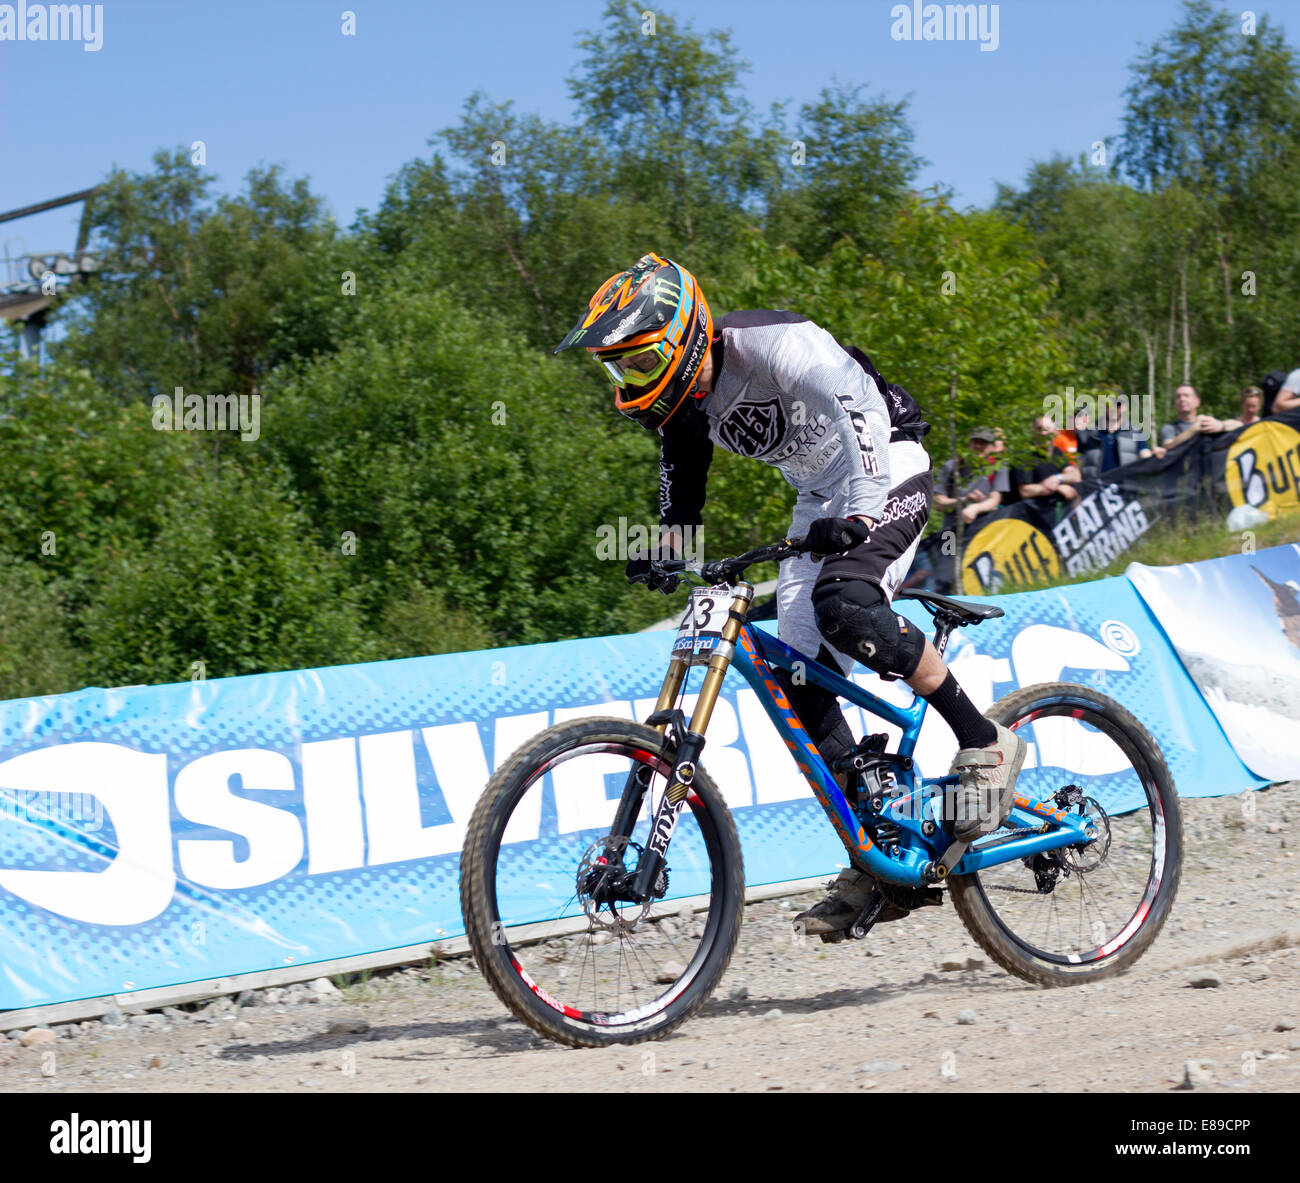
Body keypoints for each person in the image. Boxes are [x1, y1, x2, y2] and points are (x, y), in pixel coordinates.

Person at [554, 253, 1026, 938]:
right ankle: (881, 858)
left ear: (680, 339)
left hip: (887, 461)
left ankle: (984, 740)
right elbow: (681, 491)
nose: (630, 380)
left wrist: (864, 508)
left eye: (635, 362)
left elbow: (858, 406)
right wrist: (668, 552)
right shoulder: (682, 409)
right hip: (818, 498)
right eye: (621, 367)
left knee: (846, 603)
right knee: (795, 680)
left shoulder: (775, 342)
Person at [930, 427, 1010, 593]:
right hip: (949, 531)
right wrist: (963, 501)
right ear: (970, 443)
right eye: (976, 441)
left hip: (982, 531)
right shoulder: (952, 466)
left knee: (978, 575)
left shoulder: (998, 468)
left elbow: (995, 500)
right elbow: (938, 503)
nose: (979, 446)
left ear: (991, 446)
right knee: (945, 574)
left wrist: (975, 508)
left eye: (984, 443)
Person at [1007, 414, 1080, 531]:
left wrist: (1057, 479)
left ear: (1056, 432)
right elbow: (1025, 491)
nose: (1043, 433)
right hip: (1026, 522)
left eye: (1047, 429)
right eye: (1039, 429)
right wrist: (1057, 488)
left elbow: (1075, 475)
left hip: (1052, 520)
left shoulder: (1057, 452)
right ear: (1034, 432)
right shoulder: (1024, 455)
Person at [1076, 399, 1165, 479]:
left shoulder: (1137, 432)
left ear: (1125, 407)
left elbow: (1145, 455)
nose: (1113, 408)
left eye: (1118, 404)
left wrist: (1155, 455)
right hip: (1094, 490)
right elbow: (1078, 465)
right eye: (1109, 404)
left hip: (1125, 492)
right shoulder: (1087, 433)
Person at [1159, 384, 1224, 449]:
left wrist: (1222, 426)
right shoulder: (1169, 428)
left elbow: (1233, 424)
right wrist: (1193, 429)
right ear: (1175, 403)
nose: (1182, 399)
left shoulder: (1207, 423)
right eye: (1178, 396)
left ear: (1197, 401)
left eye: (1186, 395)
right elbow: (1167, 447)